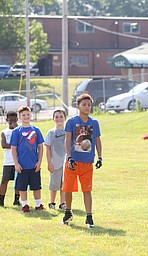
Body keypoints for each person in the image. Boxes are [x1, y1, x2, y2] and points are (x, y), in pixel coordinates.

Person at [61, 94, 102, 228]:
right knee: (68, 189)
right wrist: (69, 157)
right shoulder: (71, 122)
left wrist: (100, 157)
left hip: (87, 162)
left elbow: (97, 140)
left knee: (87, 190)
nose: (87, 107)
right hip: (73, 161)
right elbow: (67, 140)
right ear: (78, 106)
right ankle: (68, 212)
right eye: (84, 105)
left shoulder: (94, 123)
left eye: (89, 105)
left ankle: (89, 217)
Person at [10, 106, 45, 212]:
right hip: (22, 165)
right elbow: (13, 149)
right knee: (22, 187)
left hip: (34, 164)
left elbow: (40, 147)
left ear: (31, 115)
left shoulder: (36, 130)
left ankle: (38, 204)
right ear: (19, 117)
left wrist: (39, 162)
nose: (26, 117)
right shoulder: (16, 132)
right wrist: (16, 164)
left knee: (36, 186)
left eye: (28, 114)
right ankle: (25, 205)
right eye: (23, 115)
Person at [44, 109, 67, 210]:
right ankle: (52, 202)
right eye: (56, 117)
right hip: (55, 162)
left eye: (61, 116)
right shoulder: (51, 133)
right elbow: (48, 148)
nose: (59, 119)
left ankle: (62, 203)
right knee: (54, 184)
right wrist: (49, 163)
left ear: (65, 118)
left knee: (64, 184)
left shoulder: (68, 132)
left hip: (66, 163)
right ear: (53, 119)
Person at [0, 110, 20, 206]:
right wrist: (14, 145)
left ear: (17, 119)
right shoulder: (4, 132)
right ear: (6, 120)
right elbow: (3, 145)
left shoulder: (20, 130)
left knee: (18, 181)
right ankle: (1, 200)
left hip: (18, 160)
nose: (12, 122)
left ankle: (16, 200)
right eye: (10, 120)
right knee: (4, 181)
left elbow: (22, 143)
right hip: (8, 161)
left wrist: (17, 130)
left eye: (14, 120)